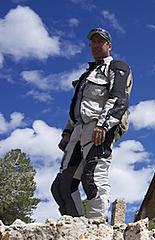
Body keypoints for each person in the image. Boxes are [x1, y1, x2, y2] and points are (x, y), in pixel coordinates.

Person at [51, 28, 132, 220]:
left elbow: (119, 97)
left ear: (109, 46)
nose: (95, 45)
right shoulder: (86, 76)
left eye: (100, 42)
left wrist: (103, 125)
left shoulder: (117, 66)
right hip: (78, 129)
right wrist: (67, 131)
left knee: (93, 176)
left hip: (99, 125)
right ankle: (77, 225)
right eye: (92, 43)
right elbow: (77, 106)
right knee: (61, 184)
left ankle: (96, 225)